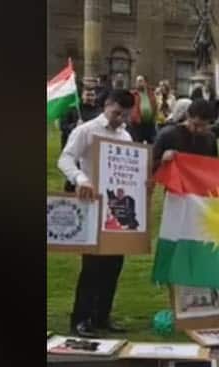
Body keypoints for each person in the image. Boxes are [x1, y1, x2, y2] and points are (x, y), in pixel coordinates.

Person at [57, 90, 137, 337]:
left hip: (117, 209)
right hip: (92, 205)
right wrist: (80, 179)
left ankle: (102, 317)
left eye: (124, 115)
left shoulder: (125, 135)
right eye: (116, 113)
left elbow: (131, 168)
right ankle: (81, 318)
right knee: (92, 267)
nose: (119, 119)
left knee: (114, 265)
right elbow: (65, 159)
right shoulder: (87, 130)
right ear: (107, 105)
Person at [152, 99, 219, 173]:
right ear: (187, 116)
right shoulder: (168, 135)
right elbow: (150, 166)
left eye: (204, 126)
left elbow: (213, 168)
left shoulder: (210, 139)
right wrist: (162, 160)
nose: (199, 129)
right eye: (196, 125)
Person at [60, 88, 102, 193]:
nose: (89, 98)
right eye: (87, 95)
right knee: (73, 171)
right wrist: (75, 126)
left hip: (91, 149)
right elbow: (63, 126)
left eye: (92, 95)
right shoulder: (72, 110)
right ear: (82, 96)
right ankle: (69, 194)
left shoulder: (99, 111)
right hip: (75, 147)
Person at [129, 75, 158, 143]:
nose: (138, 83)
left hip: (150, 123)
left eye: (140, 81)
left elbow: (155, 105)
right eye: (137, 81)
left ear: (145, 83)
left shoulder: (151, 93)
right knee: (138, 142)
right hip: (137, 123)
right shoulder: (133, 94)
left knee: (152, 142)